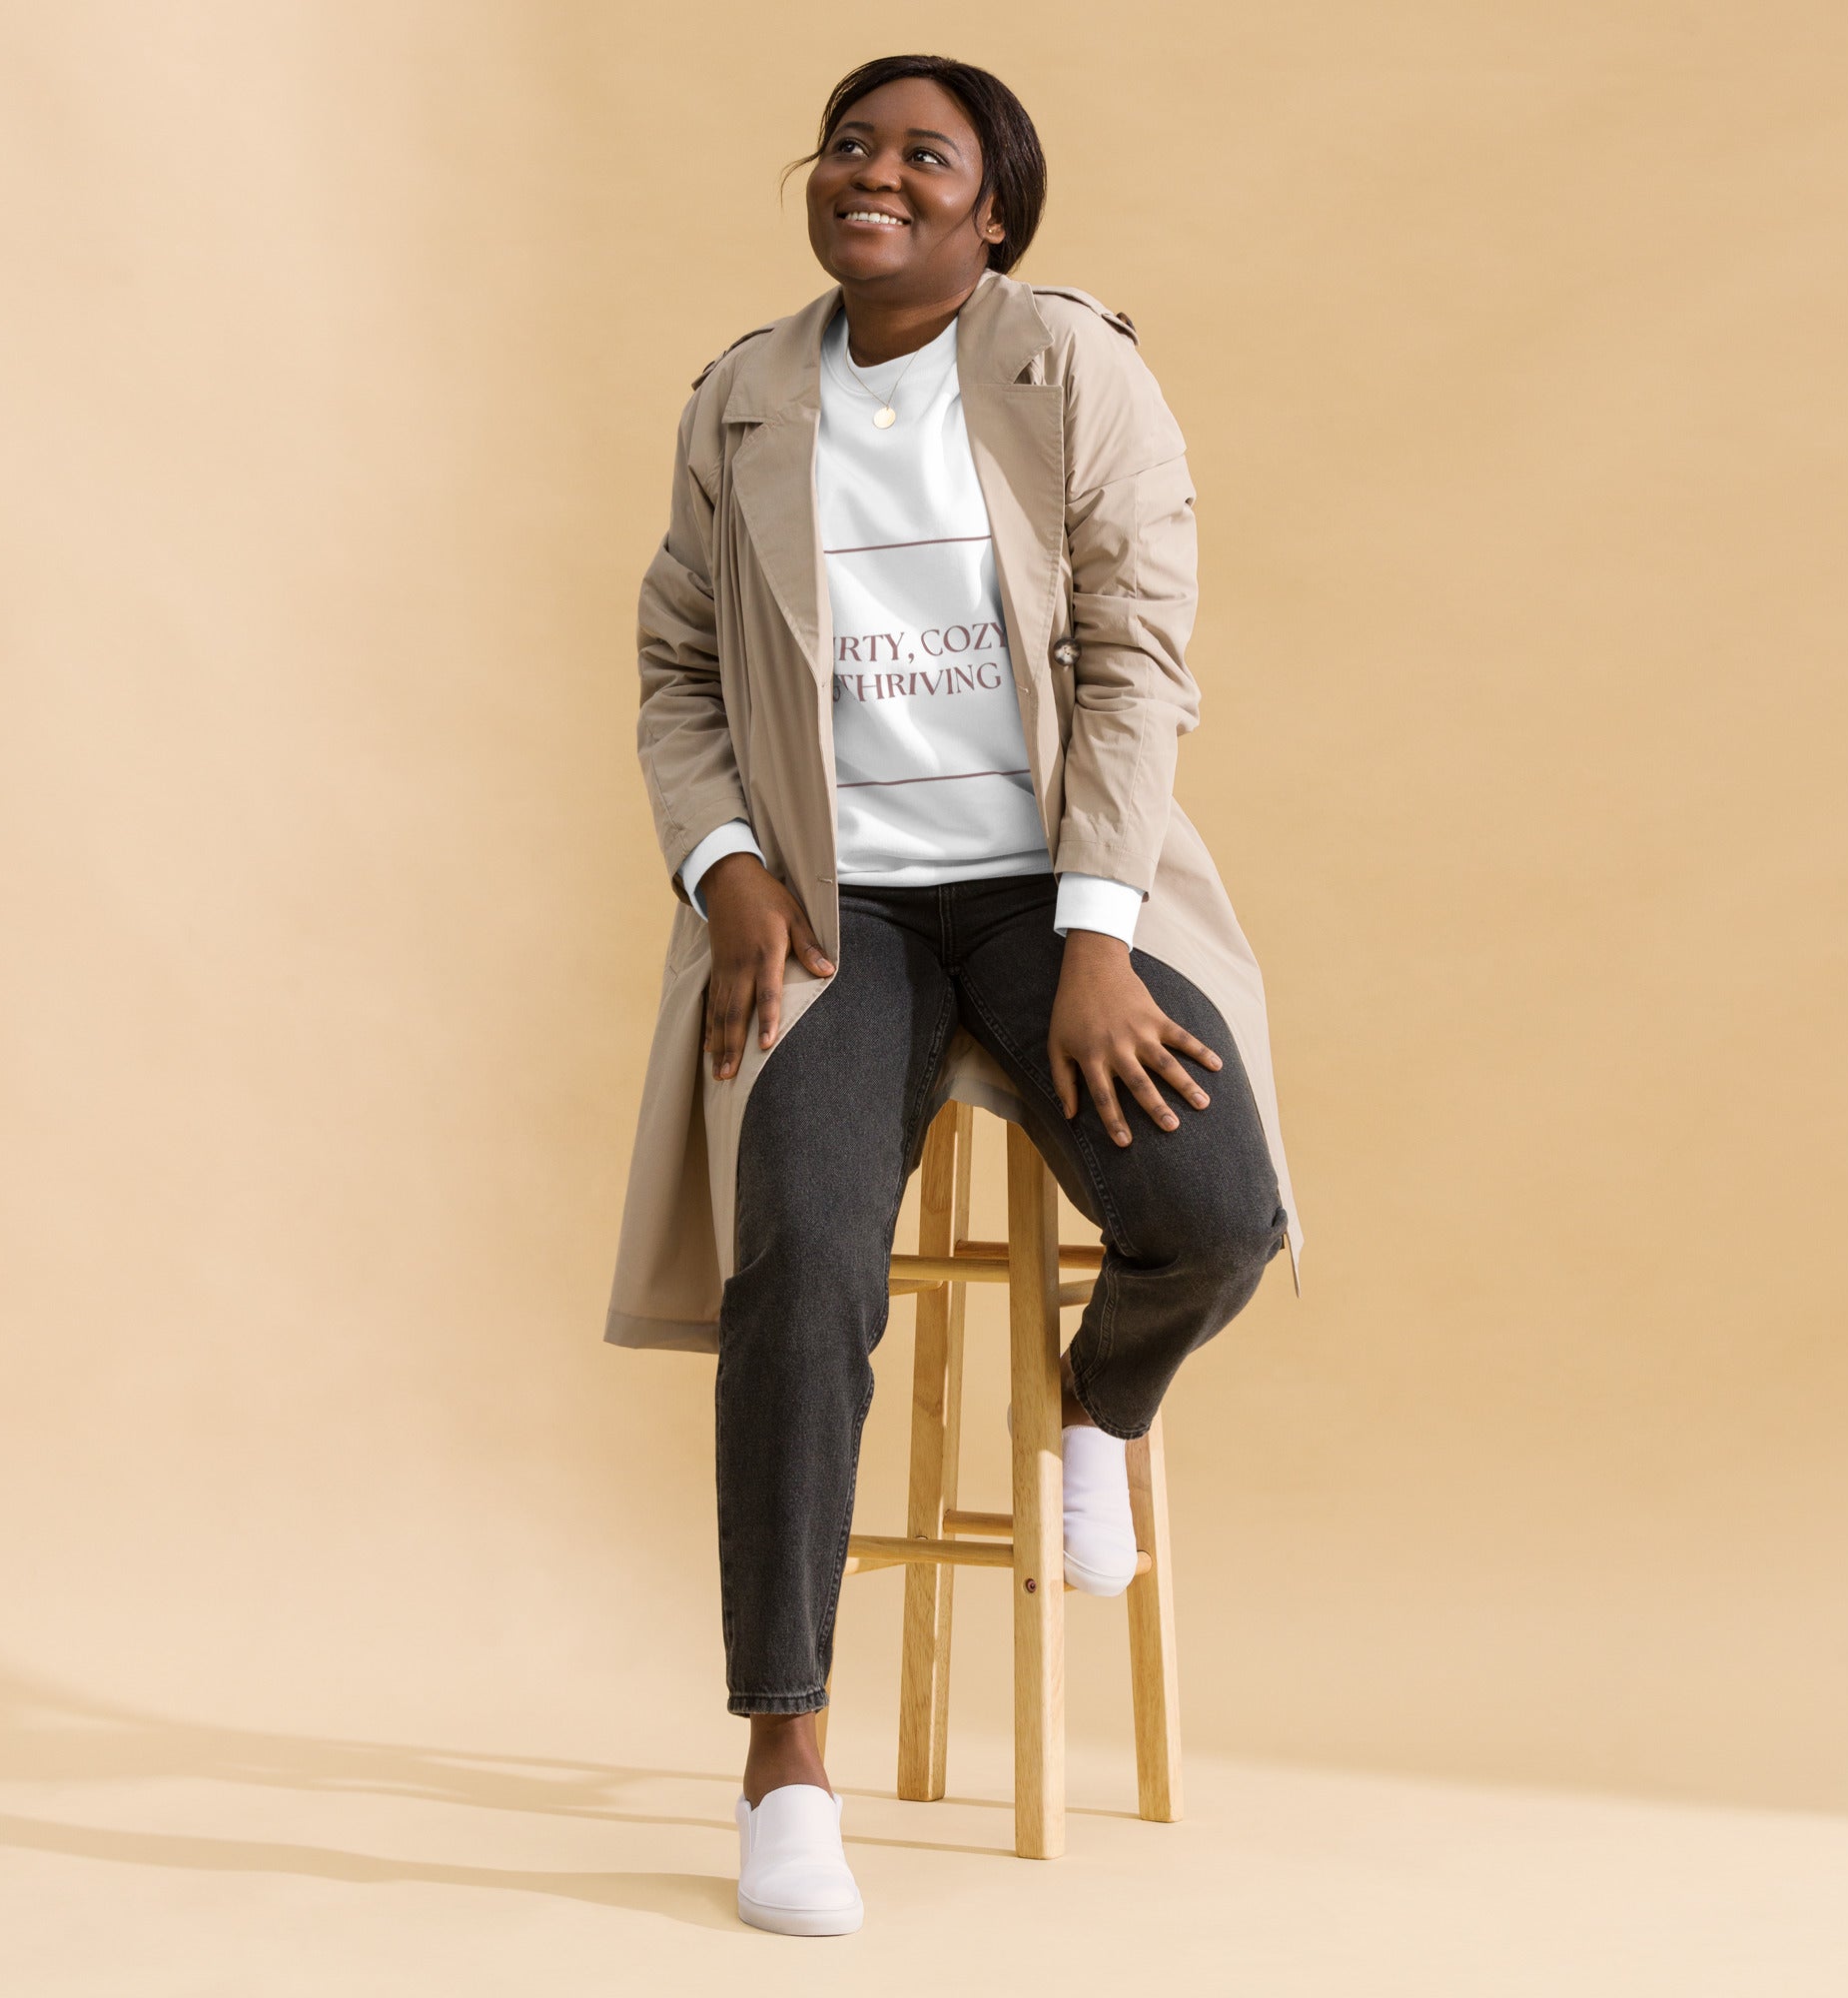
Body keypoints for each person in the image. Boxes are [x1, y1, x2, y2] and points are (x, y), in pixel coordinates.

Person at [610, 54, 1305, 1935]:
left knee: (1215, 1212)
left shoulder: (1072, 368)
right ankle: (785, 1760)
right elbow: (678, 663)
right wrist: (725, 867)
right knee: (805, 1259)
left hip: (1056, 878)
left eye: (929, 155)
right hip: (840, 913)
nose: (878, 175)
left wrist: (1094, 940)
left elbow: (1138, 652)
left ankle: (1101, 1409)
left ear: (996, 212)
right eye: (853, 144)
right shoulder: (745, 398)